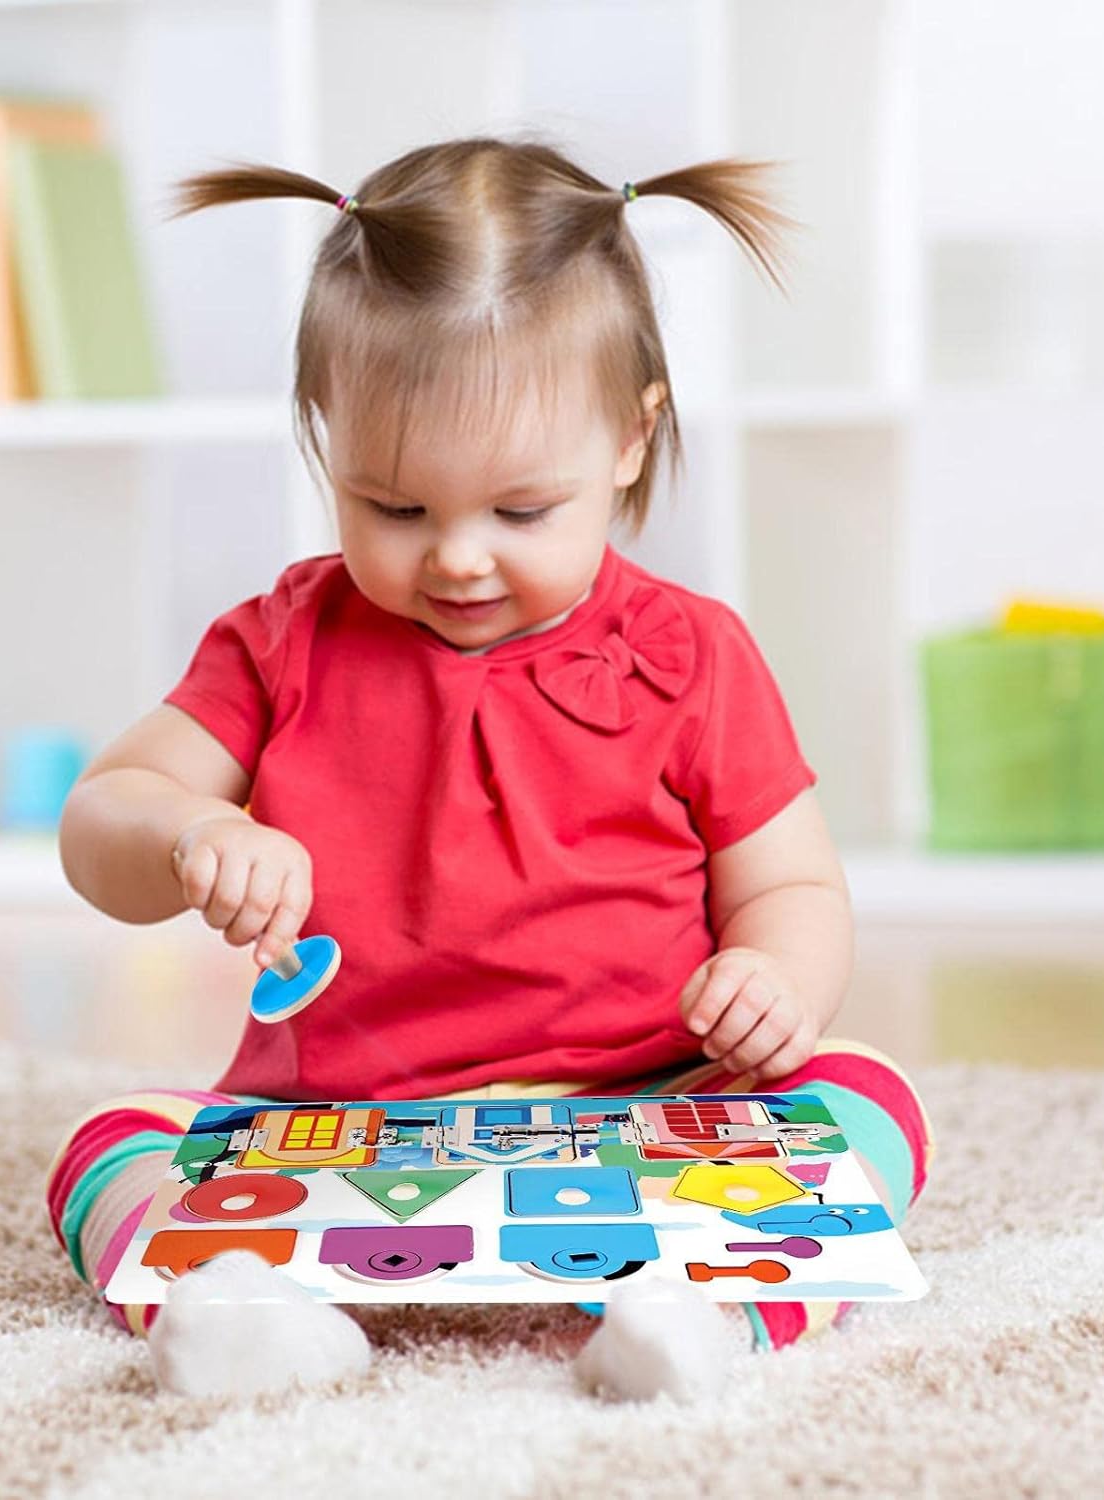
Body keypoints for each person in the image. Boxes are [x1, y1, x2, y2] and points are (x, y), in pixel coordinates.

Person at [47, 135, 934, 1398]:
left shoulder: (694, 655)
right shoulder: (284, 640)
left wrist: (774, 979)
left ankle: (709, 1319)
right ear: (325, 438)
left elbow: (791, 887)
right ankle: (243, 1314)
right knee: (111, 1140)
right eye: (394, 509)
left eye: (522, 512)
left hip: (654, 1118)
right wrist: (189, 832)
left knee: (866, 1093)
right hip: (340, 1134)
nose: (459, 557)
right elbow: (102, 818)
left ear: (631, 441)